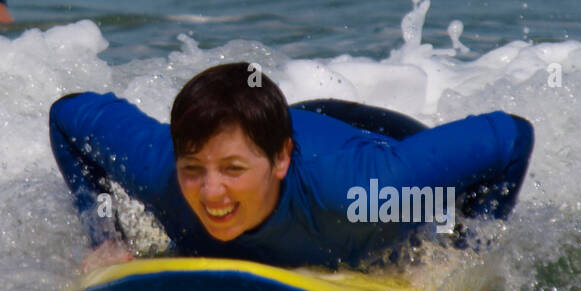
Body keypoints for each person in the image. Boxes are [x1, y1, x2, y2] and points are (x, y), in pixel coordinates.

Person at [49, 62, 534, 270]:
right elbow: (67, 114)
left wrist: (468, 256)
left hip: (372, 138)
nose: (210, 192)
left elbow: (511, 136)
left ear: (280, 160)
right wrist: (106, 238)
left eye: (232, 171)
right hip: (272, 125)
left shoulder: (365, 194)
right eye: (193, 169)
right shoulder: (162, 166)